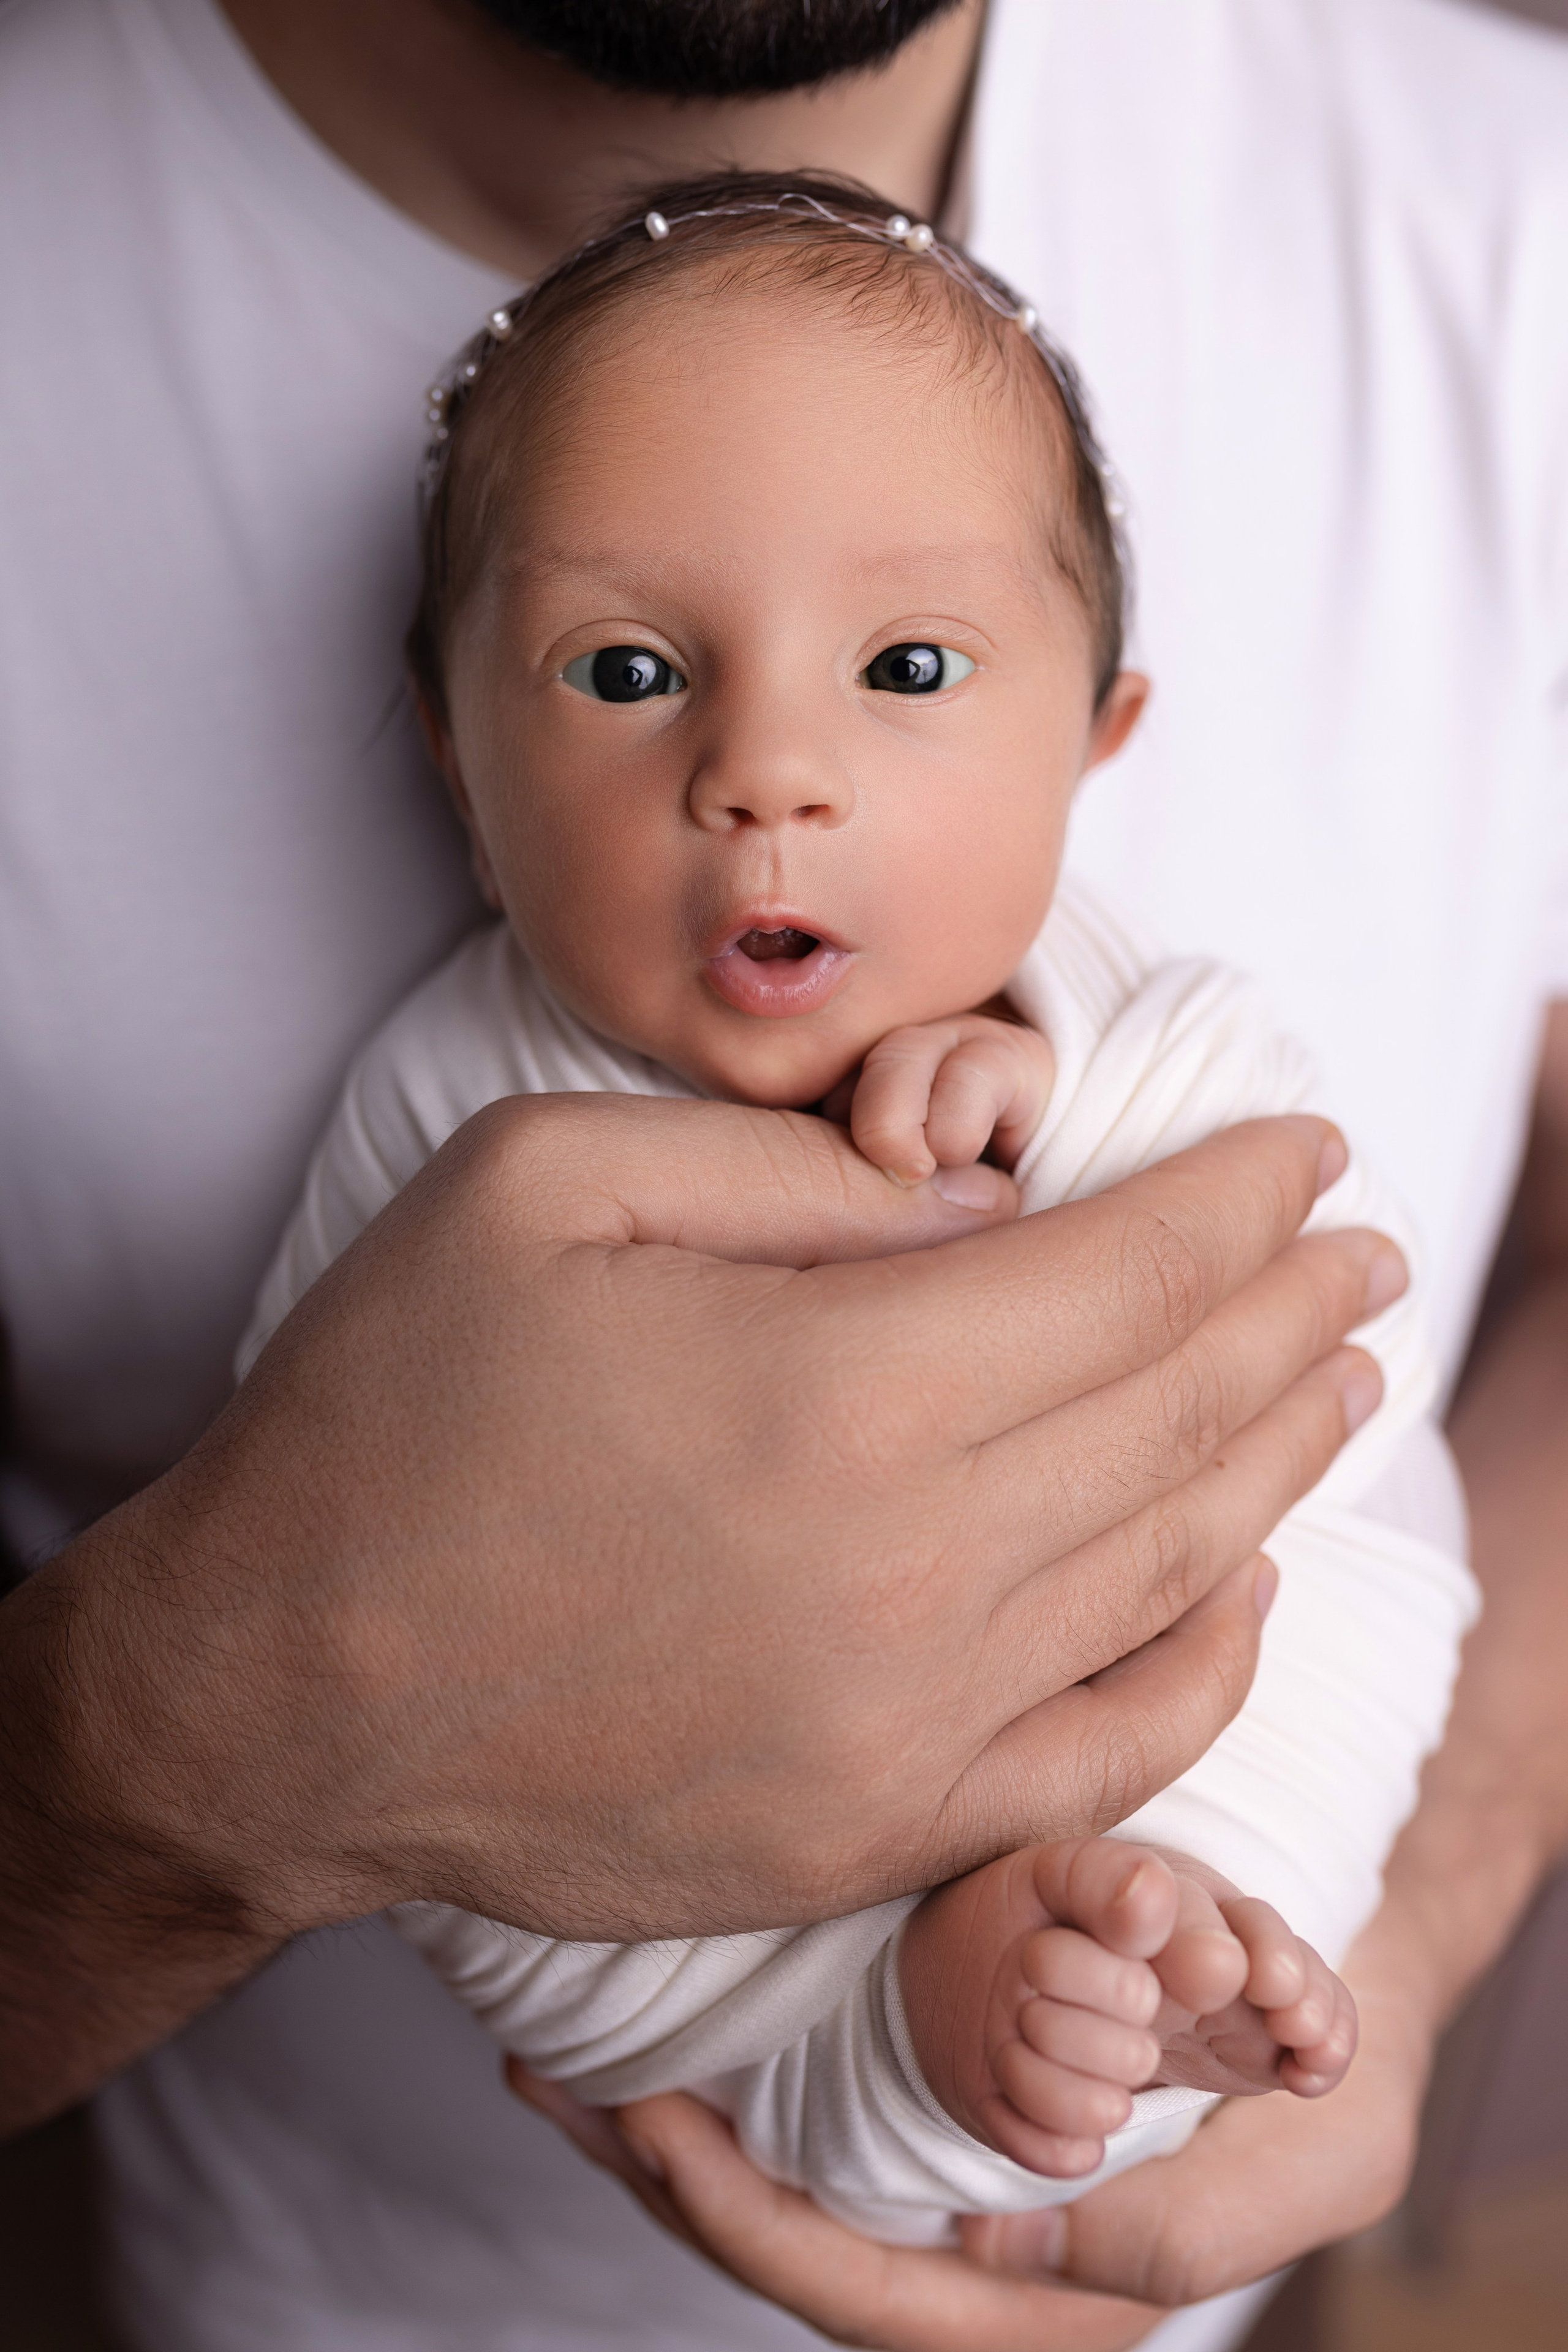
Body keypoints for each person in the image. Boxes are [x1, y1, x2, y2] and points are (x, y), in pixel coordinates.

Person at [0, 1, 1561, 2347]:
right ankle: (937, 2031)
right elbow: (335, 1459)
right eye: (628, 680)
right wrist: (164, 1774)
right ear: (446, 750)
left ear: (1106, 739)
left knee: (1292, 1666)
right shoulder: (461, 1103)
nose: (769, 775)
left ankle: (1108, 1976)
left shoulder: (1501, 216)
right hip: (358, 2246)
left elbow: (1290, 1226)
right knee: (710, 1989)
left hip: (1225, 2027)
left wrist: (1403, 1913)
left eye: (913, 670)